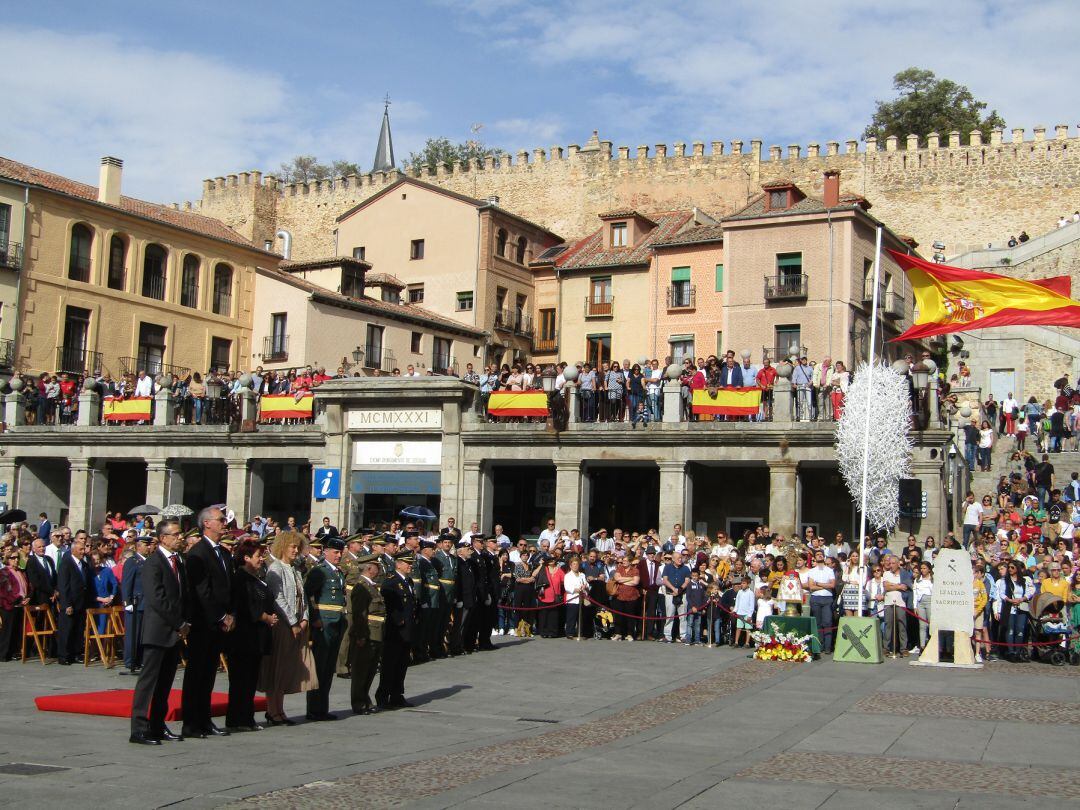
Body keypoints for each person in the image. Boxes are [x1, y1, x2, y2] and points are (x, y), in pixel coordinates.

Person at [129, 520, 189, 746]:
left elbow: (182, 595)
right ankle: (139, 728)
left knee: (165, 682)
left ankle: (157, 724)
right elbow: (157, 599)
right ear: (163, 538)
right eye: (175, 534)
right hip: (158, 629)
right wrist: (179, 622)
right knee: (149, 681)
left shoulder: (178, 561)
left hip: (174, 631)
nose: (179, 538)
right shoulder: (154, 563)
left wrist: (184, 622)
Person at [181, 505, 235, 738]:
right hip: (204, 622)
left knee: (209, 674)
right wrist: (221, 615)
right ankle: (191, 722)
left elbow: (228, 587)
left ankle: (204, 719)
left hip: (220, 623)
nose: (225, 523)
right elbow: (202, 591)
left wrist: (230, 613)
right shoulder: (198, 552)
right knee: (196, 674)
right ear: (207, 523)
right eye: (221, 520)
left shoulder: (222, 552)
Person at [261, 531, 316, 726]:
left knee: (285, 668)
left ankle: (280, 709)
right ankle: (272, 710)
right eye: (292, 547)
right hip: (283, 626)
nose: (295, 551)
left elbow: (303, 598)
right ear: (282, 547)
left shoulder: (294, 569)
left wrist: (304, 619)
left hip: (296, 625)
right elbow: (278, 598)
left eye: (297, 547)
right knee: (276, 668)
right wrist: (292, 621)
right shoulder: (276, 568)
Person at [226, 538, 276, 732]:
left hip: (256, 636)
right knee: (241, 679)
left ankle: (246, 717)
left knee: (250, 678)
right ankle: (237, 718)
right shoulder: (240, 577)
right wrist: (264, 617)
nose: (261, 559)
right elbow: (244, 605)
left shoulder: (256, 576)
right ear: (246, 557)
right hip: (244, 636)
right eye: (258, 556)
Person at [304, 536, 347, 721]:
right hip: (324, 623)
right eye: (336, 552)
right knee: (320, 666)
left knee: (329, 667)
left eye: (340, 552)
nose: (339, 555)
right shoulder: (319, 572)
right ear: (326, 552)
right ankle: (314, 709)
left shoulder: (338, 572)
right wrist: (315, 618)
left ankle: (322, 707)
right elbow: (307, 595)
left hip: (337, 621)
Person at [376, 552, 417, 710]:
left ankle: (397, 694)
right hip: (395, 630)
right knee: (390, 664)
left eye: (411, 563)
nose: (410, 566)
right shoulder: (391, 582)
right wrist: (397, 620)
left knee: (402, 664)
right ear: (398, 564)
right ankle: (383, 695)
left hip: (407, 628)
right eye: (407, 563)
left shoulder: (409, 581)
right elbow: (388, 605)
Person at [348, 556, 385, 715]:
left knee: (370, 670)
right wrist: (361, 635)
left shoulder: (371, 586)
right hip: (367, 632)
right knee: (361, 670)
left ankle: (365, 699)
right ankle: (358, 702)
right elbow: (359, 614)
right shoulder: (361, 587)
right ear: (369, 569)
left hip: (376, 632)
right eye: (377, 566)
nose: (379, 569)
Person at [57, 532, 94, 665]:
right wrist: (67, 604)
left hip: (81, 602)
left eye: (84, 549)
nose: (83, 552)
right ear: (73, 550)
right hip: (70, 602)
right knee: (67, 629)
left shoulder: (83, 565)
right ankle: (64, 655)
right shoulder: (66, 563)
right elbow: (63, 585)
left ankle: (76, 653)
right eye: (80, 549)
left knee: (78, 629)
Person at [121, 535, 152, 673]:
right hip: (135, 601)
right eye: (146, 545)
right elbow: (127, 582)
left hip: (146, 603)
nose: (149, 547)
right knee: (133, 634)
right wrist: (127, 601)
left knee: (142, 634)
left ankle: (139, 659)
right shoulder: (132, 562)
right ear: (139, 546)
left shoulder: (149, 561)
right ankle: (130, 660)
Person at [0, 549, 30, 661]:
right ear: (7, 559)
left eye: (17, 557)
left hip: (21, 605)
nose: (16, 560)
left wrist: (27, 598)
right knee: (7, 631)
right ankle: (3, 654)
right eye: (13, 558)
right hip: (8, 605)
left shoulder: (21, 571)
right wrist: (18, 599)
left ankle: (13, 652)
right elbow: (4, 591)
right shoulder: (4, 572)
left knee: (17, 630)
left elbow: (27, 586)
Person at [806, 552, 836, 655]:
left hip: (827, 598)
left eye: (821, 554)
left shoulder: (829, 570)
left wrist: (818, 583)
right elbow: (811, 586)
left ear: (824, 557)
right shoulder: (811, 571)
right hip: (816, 598)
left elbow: (832, 585)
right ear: (814, 557)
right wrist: (825, 586)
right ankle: (819, 646)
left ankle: (827, 647)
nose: (819, 555)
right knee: (817, 623)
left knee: (827, 622)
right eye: (817, 554)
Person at [610, 553, 640, 641]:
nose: (624, 562)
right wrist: (630, 578)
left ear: (630, 562)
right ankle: (618, 633)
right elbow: (617, 579)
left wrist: (623, 580)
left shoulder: (635, 570)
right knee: (618, 616)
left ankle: (630, 634)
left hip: (631, 596)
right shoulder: (619, 569)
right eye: (623, 561)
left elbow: (635, 582)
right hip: (619, 595)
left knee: (630, 616)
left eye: (626, 561)